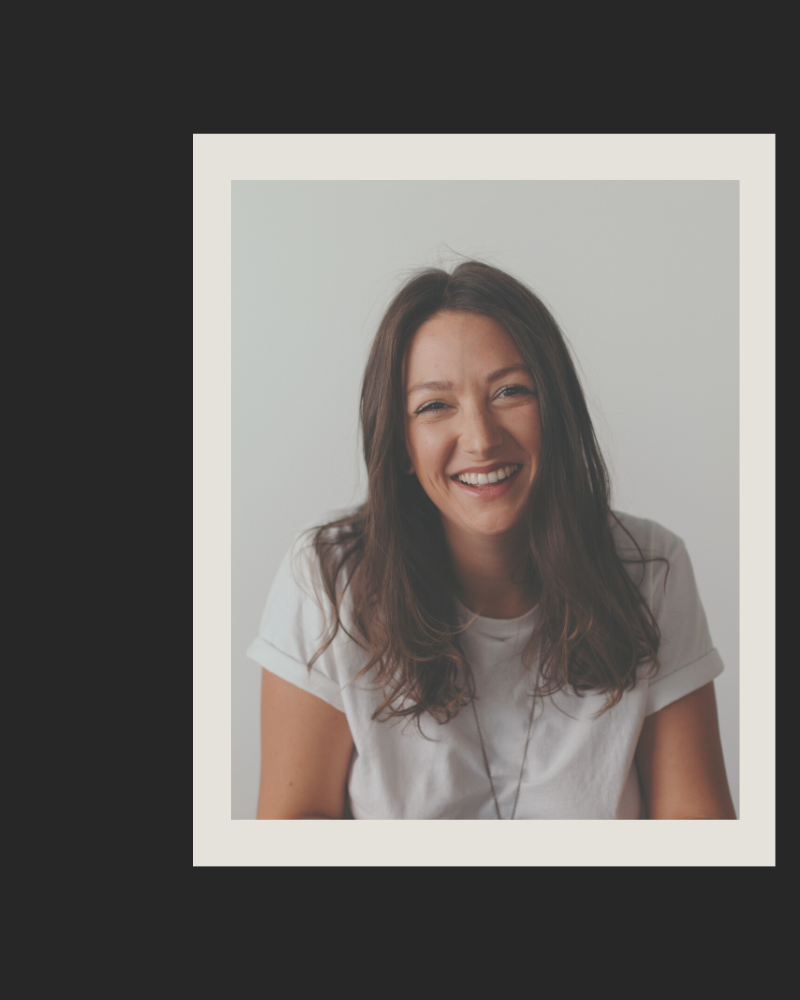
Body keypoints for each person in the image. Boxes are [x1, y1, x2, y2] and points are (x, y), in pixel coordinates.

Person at [247, 261, 736, 820]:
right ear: (400, 443)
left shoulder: (652, 570)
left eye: (510, 391)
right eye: (434, 405)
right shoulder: (326, 581)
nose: (480, 439)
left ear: (556, 410)